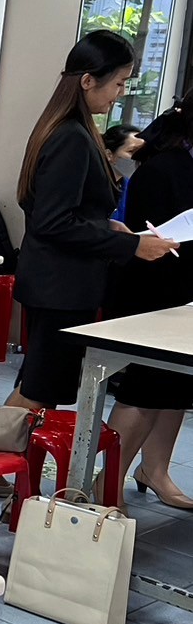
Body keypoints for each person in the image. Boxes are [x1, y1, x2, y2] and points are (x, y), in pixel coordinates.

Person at [9, 31, 178, 410]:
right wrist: (132, 245)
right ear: (88, 81)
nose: (120, 93)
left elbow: (68, 213)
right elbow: (53, 222)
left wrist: (108, 227)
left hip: (59, 282)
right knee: (38, 392)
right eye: (118, 83)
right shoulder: (71, 136)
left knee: (40, 389)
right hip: (60, 287)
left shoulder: (72, 128)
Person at [105, 90, 193, 508]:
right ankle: (108, 481)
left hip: (182, 290)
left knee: (179, 383)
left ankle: (154, 470)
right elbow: (155, 241)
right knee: (147, 385)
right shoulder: (164, 168)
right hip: (155, 290)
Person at [106, 123, 146, 223]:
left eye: (142, 153)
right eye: (131, 151)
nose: (139, 158)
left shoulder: (129, 185)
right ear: (109, 155)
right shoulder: (93, 185)